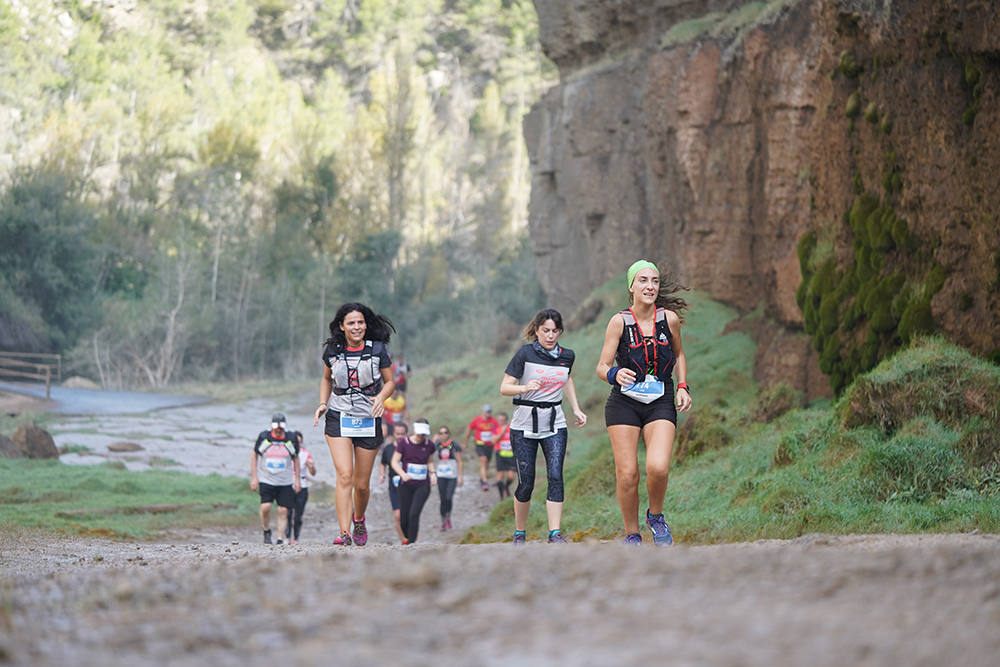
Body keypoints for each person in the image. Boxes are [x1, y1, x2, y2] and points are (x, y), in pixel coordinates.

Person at [595, 260, 692, 546]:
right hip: (624, 402)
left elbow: (680, 355)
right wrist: (614, 373)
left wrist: (683, 386)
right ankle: (632, 534)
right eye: (643, 280)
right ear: (631, 286)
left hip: (660, 399)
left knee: (658, 466)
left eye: (654, 281)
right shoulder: (619, 322)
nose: (650, 286)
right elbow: (601, 366)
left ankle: (656, 516)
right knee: (627, 474)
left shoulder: (669, 319)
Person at [500, 309, 587, 544]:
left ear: (560, 331)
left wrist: (576, 408)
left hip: (555, 422)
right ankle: (520, 532)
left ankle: (554, 533)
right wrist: (524, 388)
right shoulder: (525, 354)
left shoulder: (567, 356)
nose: (550, 335)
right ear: (537, 330)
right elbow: (505, 387)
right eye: (545, 331)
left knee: (556, 476)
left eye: (554, 331)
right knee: (526, 481)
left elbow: (566, 378)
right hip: (524, 424)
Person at [313, 302, 396, 546]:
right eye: (351, 323)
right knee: (345, 476)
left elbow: (390, 382)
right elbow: (326, 379)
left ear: (365, 324)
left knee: (360, 485)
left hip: (368, 418)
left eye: (360, 322)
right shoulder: (333, 351)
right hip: (339, 416)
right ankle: (344, 532)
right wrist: (322, 403)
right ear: (342, 326)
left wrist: (381, 397)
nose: (356, 326)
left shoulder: (378, 350)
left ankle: (358, 519)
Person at [250, 413, 301, 545]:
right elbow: (255, 455)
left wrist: (297, 480)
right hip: (267, 479)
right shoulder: (264, 437)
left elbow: (295, 458)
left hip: (285, 481)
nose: (278, 430)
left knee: (283, 510)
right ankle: (266, 531)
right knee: (265, 507)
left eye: (281, 428)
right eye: (276, 428)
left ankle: (279, 538)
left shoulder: (291, 438)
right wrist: (254, 477)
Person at [391, 418, 437, 544]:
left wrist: (433, 474)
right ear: (415, 430)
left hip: (422, 485)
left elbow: (430, 461)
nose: (420, 436)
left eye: (423, 433)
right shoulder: (404, 443)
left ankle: (411, 543)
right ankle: (408, 536)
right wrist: (402, 474)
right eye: (419, 433)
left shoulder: (429, 445)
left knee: (414, 513)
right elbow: (394, 462)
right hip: (405, 485)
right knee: (404, 517)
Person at [378, 421, 408, 544]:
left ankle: (411, 532)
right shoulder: (388, 449)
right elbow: (383, 463)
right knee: (397, 515)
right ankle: (403, 539)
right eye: (398, 433)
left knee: (409, 513)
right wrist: (382, 474)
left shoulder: (410, 447)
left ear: (406, 433)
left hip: (409, 485)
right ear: (394, 433)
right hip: (394, 485)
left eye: (402, 433)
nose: (400, 436)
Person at [284, 432, 316, 545]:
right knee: (287, 513)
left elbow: (313, 473)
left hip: (302, 485)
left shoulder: (305, 454)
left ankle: (296, 538)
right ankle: (286, 537)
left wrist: (312, 467)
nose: (297, 443)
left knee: (298, 515)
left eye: (299, 441)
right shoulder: (286, 452)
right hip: (288, 485)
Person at [434, 425, 463, 530]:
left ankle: (448, 517)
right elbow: (429, 456)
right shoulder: (437, 445)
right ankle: (443, 521)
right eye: (441, 433)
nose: (443, 435)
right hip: (441, 475)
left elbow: (459, 461)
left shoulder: (454, 445)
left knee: (448, 497)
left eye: (445, 432)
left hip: (452, 475)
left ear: (449, 434)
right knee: (442, 499)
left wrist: (460, 477)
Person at [464, 404, 499, 491]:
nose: (488, 413)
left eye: (490, 412)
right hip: (480, 444)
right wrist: (465, 442)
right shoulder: (477, 420)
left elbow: (498, 431)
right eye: (487, 412)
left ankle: (482, 477)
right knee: (483, 460)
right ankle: (484, 482)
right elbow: (469, 430)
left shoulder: (493, 421)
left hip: (490, 445)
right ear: (483, 412)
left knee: (487, 463)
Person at [493, 412, 515, 499]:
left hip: (511, 455)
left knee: (511, 476)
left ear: (506, 420)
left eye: (502, 420)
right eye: (499, 420)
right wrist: (501, 432)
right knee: (500, 476)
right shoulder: (496, 429)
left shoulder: (511, 428)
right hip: (500, 454)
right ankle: (501, 497)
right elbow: (493, 441)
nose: (501, 422)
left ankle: (506, 486)